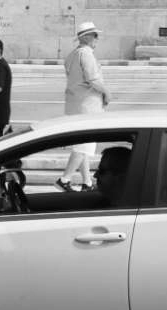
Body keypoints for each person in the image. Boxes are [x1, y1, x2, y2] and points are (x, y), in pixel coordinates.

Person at [56, 22, 111, 192]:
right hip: (87, 107)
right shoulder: (86, 54)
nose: (97, 39)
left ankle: (87, 182)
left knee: (82, 146)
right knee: (85, 146)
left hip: (74, 106)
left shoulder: (72, 55)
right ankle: (64, 179)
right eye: (95, 35)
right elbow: (92, 79)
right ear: (86, 37)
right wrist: (107, 93)